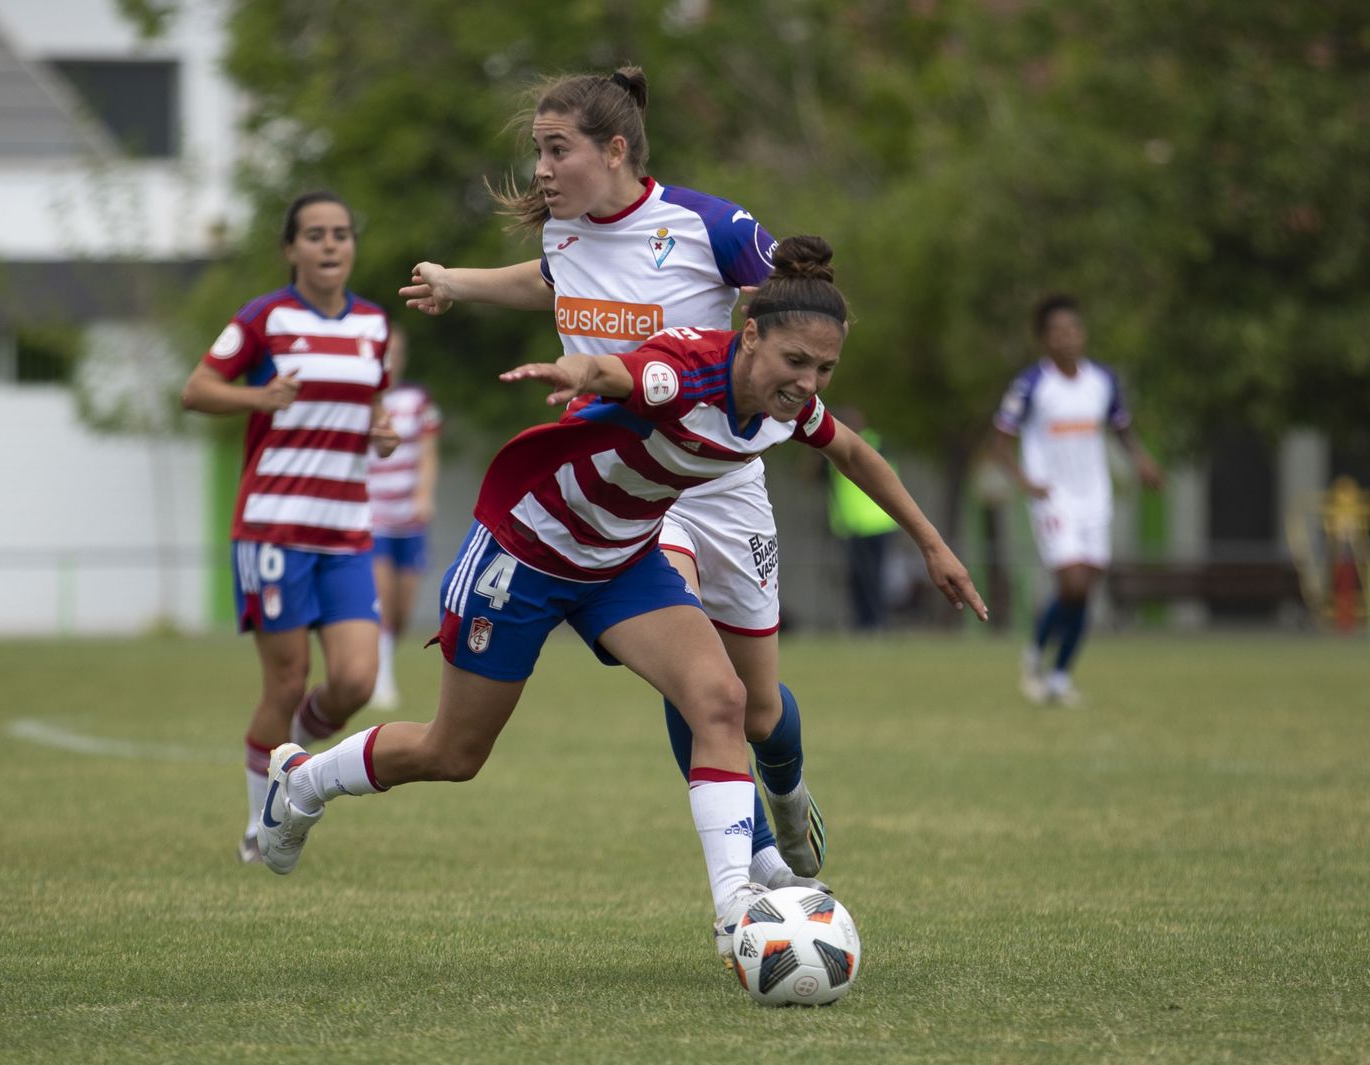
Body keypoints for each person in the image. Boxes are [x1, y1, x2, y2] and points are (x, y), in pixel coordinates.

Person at [258, 238, 986, 968]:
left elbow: (854, 452)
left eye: (823, 368)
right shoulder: (688, 371)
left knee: (720, 698)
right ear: (751, 334)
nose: (807, 382)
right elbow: (621, 371)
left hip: (620, 562)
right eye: (796, 362)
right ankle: (303, 780)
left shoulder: (781, 407)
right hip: (525, 554)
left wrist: (932, 544)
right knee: (454, 752)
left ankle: (735, 906)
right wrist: (577, 369)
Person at [398, 67, 832, 891]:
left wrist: (794, 380)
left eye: (556, 151)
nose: (543, 171)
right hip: (628, 481)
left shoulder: (708, 225)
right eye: (539, 153)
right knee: (694, 666)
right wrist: (458, 282)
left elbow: (795, 304)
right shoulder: (565, 231)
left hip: (723, 476)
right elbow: (549, 280)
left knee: (762, 707)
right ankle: (754, 870)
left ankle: (787, 790)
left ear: (617, 148)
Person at [180, 191, 399, 864]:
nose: (330, 245)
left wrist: (381, 430)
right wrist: (258, 395)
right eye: (315, 235)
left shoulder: (373, 325)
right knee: (285, 679)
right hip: (273, 528)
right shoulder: (264, 318)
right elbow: (196, 388)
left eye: (340, 234)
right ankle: (260, 831)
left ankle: (291, 764)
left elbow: (372, 407)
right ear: (290, 249)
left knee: (358, 679)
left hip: (346, 529)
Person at [990, 293, 1162, 706]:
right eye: (1057, 332)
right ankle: (1035, 652)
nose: (1067, 338)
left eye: (1073, 330)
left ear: (1082, 334)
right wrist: (1025, 481)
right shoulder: (1031, 384)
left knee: (1083, 591)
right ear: (1044, 339)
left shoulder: (1102, 381)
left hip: (1095, 498)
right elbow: (999, 441)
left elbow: (1122, 428)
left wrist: (1142, 461)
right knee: (1072, 580)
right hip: (1053, 497)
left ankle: (1060, 678)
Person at [366, 324, 443, 707]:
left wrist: (424, 495)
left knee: (402, 611)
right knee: (382, 598)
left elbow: (428, 453)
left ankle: (378, 662)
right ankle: (380, 681)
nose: (389, 361)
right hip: (372, 518)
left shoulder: (417, 401)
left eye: (395, 353)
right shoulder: (361, 401)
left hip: (409, 521)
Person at [827, 406, 901, 631]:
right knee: (857, 577)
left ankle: (877, 622)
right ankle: (863, 623)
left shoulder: (874, 443)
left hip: (876, 523)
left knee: (875, 576)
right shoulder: (831, 447)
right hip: (851, 525)